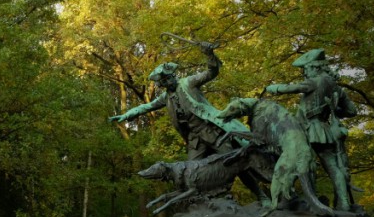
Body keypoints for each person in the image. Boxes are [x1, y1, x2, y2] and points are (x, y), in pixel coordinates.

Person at [109, 44, 267, 204]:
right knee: (192, 172)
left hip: (213, 133)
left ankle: (261, 195)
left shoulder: (188, 83)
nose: (167, 83)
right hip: (195, 140)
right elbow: (147, 106)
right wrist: (126, 115)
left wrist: (209, 54)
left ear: (173, 75)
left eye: (168, 79)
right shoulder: (166, 97)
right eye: (164, 82)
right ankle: (202, 205)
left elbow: (212, 72)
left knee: (235, 163)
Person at [266, 49, 359, 211]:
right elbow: (351, 111)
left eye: (306, 68)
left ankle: (307, 202)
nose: (304, 72)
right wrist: (335, 110)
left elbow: (292, 88)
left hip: (307, 130)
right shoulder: (336, 88)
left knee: (303, 164)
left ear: (316, 67)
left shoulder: (315, 81)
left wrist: (273, 88)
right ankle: (343, 203)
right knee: (334, 168)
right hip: (325, 130)